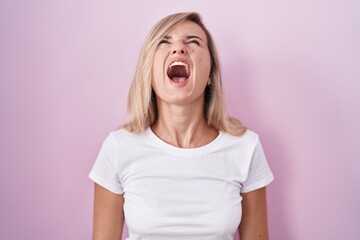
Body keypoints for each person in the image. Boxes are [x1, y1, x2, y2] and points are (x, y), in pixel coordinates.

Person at [89, 12, 274, 240]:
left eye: (193, 42)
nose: (178, 49)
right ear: (149, 71)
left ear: (210, 74)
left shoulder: (246, 147)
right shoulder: (118, 147)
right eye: (164, 42)